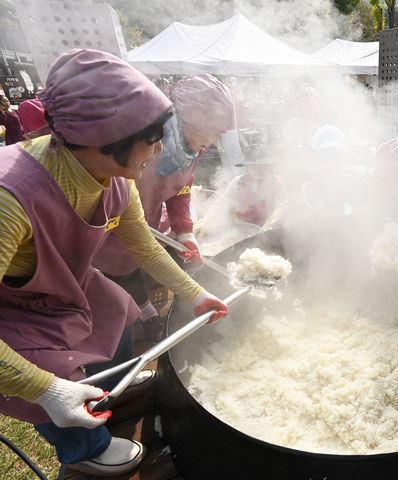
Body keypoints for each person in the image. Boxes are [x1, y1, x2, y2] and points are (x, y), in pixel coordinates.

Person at [0, 49, 229, 476]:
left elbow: (143, 247)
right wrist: (47, 389)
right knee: (55, 383)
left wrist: (195, 294)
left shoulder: (114, 179)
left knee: (116, 311)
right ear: (111, 133)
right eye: (153, 137)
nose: (161, 149)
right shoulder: (10, 195)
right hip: (15, 310)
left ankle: (104, 388)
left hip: (67, 283)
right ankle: (85, 449)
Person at [93, 74, 236, 342]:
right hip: (110, 223)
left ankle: (158, 308)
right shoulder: (140, 143)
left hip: (147, 220)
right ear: (195, 120)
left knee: (147, 260)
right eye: (216, 131)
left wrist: (185, 233)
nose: (215, 141)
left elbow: (181, 190)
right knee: (121, 269)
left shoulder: (193, 150)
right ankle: (146, 313)